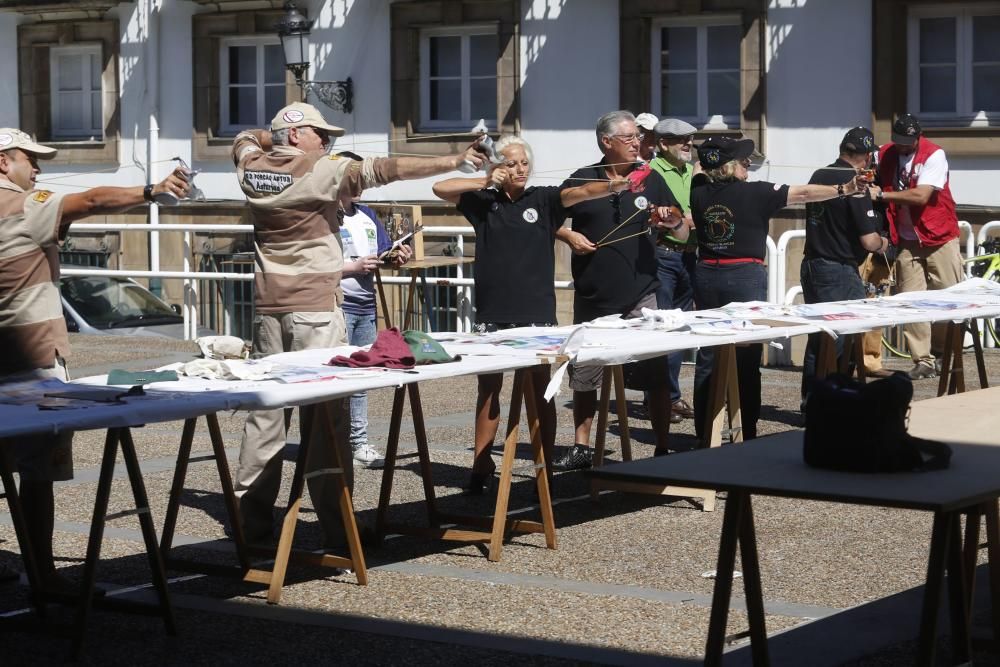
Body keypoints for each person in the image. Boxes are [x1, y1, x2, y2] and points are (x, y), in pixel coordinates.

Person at [232, 102, 486, 547]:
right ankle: (339, 528)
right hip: (314, 308)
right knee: (327, 420)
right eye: (319, 134)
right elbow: (389, 169)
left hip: (268, 308)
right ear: (297, 136)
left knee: (266, 416)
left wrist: (273, 135)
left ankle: (251, 530)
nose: (328, 142)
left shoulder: (250, 165)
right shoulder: (321, 169)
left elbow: (248, 139)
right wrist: (452, 160)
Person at [0, 128, 189, 591]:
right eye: (30, 159)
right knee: (37, 473)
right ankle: (42, 574)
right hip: (31, 357)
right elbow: (89, 201)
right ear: (3, 162)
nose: (39, 168)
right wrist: (152, 189)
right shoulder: (20, 205)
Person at [432, 136, 631, 492]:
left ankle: (543, 465)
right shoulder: (483, 201)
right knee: (489, 389)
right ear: (498, 166)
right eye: (511, 163)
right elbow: (439, 187)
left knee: (540, 392)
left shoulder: (543, 199)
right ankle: (480, 464)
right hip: (493, 310)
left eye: (524, 162)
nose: (519, 169)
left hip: (536, 312)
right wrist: (484, 180)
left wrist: (613, 185)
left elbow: (582, 192)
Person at [690, 135, 868, 442]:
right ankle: (745, 431)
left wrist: (708, 157)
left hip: (707, 274)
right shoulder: (756, 192)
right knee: (746, 358)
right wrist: (844, 189)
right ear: (730, 166)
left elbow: (697, 167)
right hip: (743, 275)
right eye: (742, 161)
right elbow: (803, 193)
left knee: (709, 354)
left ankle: (706, 433)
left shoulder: (698, 190)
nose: (748, 165)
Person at [555, 110, 687, 468]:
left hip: (641, 289)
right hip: (594, 292)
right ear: (606, 142)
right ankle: (582, 446)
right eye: (628, 137)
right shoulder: (584, 178)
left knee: (656, 372)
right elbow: (550, 216)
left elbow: (682, 229)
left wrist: (672, 220)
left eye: (637, 137)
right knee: (585, 373)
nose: (636, 143)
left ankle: (662, 447)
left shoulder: (651, 178)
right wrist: (568, 235)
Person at [871, 113, 963, 380]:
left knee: (949, 297)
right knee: (911, 301)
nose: (902, 146)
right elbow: (865, 162)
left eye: (908, 141)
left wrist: (883, 194)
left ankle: (943, 351)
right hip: (907, 240)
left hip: (939, 236)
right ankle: (923, 360)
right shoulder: (885, 153)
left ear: (917, 138)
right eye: (898, 140)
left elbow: (922, 195)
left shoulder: (934, 155)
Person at [800, 127, 889, 399]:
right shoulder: (856, 184)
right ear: (866, 156)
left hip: (813, 263)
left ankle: (811, 399)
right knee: (842, 340)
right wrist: (887, 243)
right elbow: (870, 242)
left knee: (820, 337)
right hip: (838, 268)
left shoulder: (819, 175)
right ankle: (830, 401)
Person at [337, 165, 413, 469]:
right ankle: (333, 441)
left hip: (366, 306)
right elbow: (314, 264)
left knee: (362, 376)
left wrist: (397, 255)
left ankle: (357, 441)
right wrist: (353, 268)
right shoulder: (325, 214)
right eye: (354, 179)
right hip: (338, 304)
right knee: (334, 376)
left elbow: (384, 252)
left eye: (362, 180)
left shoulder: (366, 214)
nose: (361, 185)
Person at [649, 117, 700, 423]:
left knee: (679, 330)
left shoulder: (690, 170)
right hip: (664, 255)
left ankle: (670, 395)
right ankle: (662, 397)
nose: (688, 145)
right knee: (663, 329)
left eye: (690, 140)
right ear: (663, 144)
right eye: (681, 140)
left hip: (689, 255)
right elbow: (659, 216)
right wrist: (690, 220)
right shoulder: (654, 172)